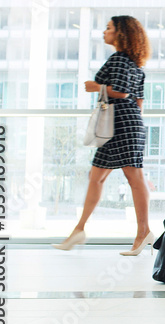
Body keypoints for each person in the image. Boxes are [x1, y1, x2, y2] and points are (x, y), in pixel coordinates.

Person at [54, 16, 152, 256]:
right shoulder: (136, 65)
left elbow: (120, 91)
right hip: (127, 124)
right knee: (97, 176)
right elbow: (137, 103)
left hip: (120, 126)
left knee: (133, 177)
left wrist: (96, 87)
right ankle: (79, 229)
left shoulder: (119, 59)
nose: (104, 31)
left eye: (109, 28)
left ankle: (144, 232)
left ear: (121, 33)